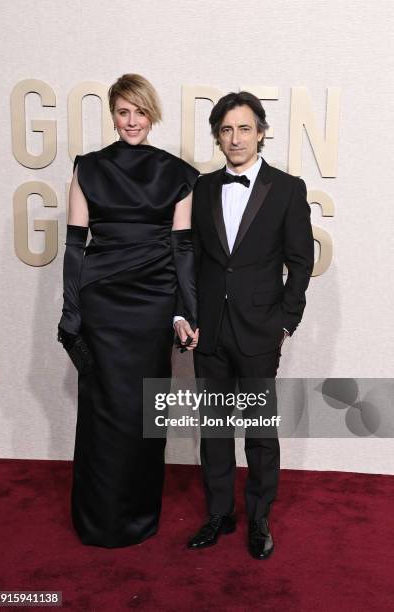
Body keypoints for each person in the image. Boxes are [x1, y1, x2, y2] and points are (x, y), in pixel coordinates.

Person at [58, 73, 199, 548]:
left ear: (152, 114)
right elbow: (75, 246)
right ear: (113, 115)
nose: (132, 121)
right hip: (102, 304)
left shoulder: (179, 173)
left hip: (152, 304)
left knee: (144, 411)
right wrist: (70, 312)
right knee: (102, 409)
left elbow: (183, 250)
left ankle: (138, 514)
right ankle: (99, 519)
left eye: (140, 111)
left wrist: (186, 311)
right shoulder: (88, 168)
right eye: (123, 111)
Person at [176, 91, 313, 559]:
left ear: (261, 133)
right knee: (213, 428)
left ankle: (259, 519)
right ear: (218, 136)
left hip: (259, 331)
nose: (235, 138)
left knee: (258, 430)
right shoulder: (203, 187)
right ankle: (219, 513)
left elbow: (300, 260)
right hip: (208, 330)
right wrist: (184, 314)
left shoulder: (288, 188)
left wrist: (286, 322)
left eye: (245, 129)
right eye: (227, 130)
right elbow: (188, 258)